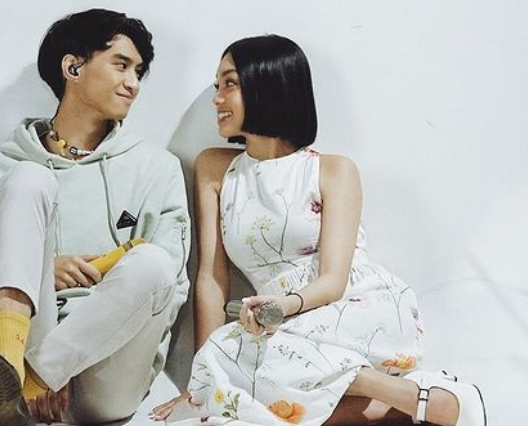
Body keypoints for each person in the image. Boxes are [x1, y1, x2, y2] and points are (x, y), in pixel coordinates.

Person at [152, 35, 486, 426]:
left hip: (352, 307)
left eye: (230, 83)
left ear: (266, 84)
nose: (217, 98)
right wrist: (204, 377)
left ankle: (396, 393)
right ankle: (418, 404)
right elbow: (211, 279)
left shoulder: (333, 170)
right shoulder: (214, 169)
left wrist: (280, 310)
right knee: (232, 365)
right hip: (275, 324)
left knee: (246, 359)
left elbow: (334, 280)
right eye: (217, 86)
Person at [0, 8, 191, 426]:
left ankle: (22, 388)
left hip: (108, 378)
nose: (133, 83)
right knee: (27, 178)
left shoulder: (156, 169)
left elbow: (167, 288)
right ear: (73, 67)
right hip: (17, 347)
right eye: (121, 65)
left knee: (154, 262)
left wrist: (60, 361)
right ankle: (12, 381)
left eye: (138, 71)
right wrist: (37, 272)